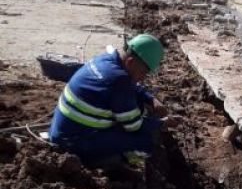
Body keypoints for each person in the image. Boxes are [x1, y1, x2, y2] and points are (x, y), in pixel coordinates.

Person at [49, 33, 168, 166]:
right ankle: (117, 163)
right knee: (145, 141)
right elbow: (134, 127)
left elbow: (131, 88)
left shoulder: (107, 60)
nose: (143, 78)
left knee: (136, 105)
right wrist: (161, 124)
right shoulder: (119, 81)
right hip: (72, 144)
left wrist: (151, 99)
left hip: (62, 132)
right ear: (130, 62)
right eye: (143, 73)